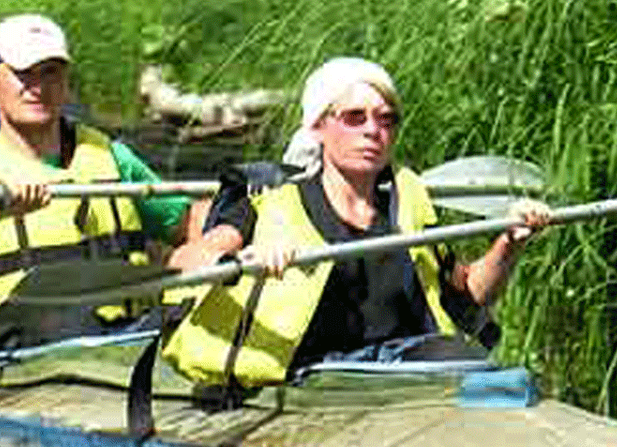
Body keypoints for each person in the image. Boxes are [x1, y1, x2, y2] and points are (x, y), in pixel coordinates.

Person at [162, 56, 550, 393]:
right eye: (354, 117)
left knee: (456, 351)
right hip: (314, 379)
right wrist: (240, 259)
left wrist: (510, 242)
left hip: (399, 373)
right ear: (318, 126)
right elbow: (185, 259)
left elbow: (468, 297)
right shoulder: (269, 201)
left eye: (386, 119)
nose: (372, 130)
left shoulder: (406, 202)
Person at [0, 13, 199, 349]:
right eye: (24, 73)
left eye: (51, 72)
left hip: (122, 339)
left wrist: (226, 235)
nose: (39, 87)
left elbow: (187, 223)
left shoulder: (112, 158)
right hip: (4, 354)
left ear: (66, 82)